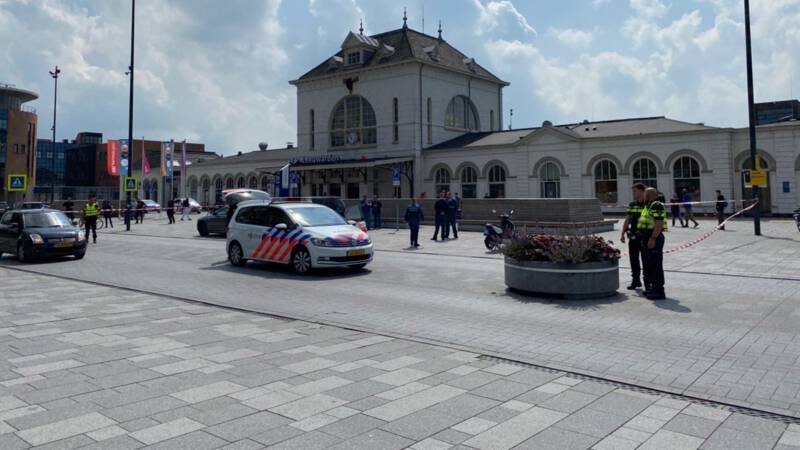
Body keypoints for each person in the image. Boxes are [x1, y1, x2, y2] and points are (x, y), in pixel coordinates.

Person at [638, 187, 667, 300]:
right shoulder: (648, 205)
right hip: (646, 237)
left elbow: (658, 223)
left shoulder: (657, 205)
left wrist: (653, 238)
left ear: (649, 195)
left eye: (645, 194)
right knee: (649, 265)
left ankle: (659, 291)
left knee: (656, 265)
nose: (643, 196)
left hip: (653, 237)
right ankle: (652, 289)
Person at [620, 183, 646, 290]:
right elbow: (628, 219)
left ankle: (647, 282)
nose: (633, 194)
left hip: (645, 236)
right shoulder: (632, 204)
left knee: (646, 260)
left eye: (634, 191)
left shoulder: (648, 204)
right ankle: (635, 280)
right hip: (633, 236)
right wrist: (622, 233)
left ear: (641, 191)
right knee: (633, 259)